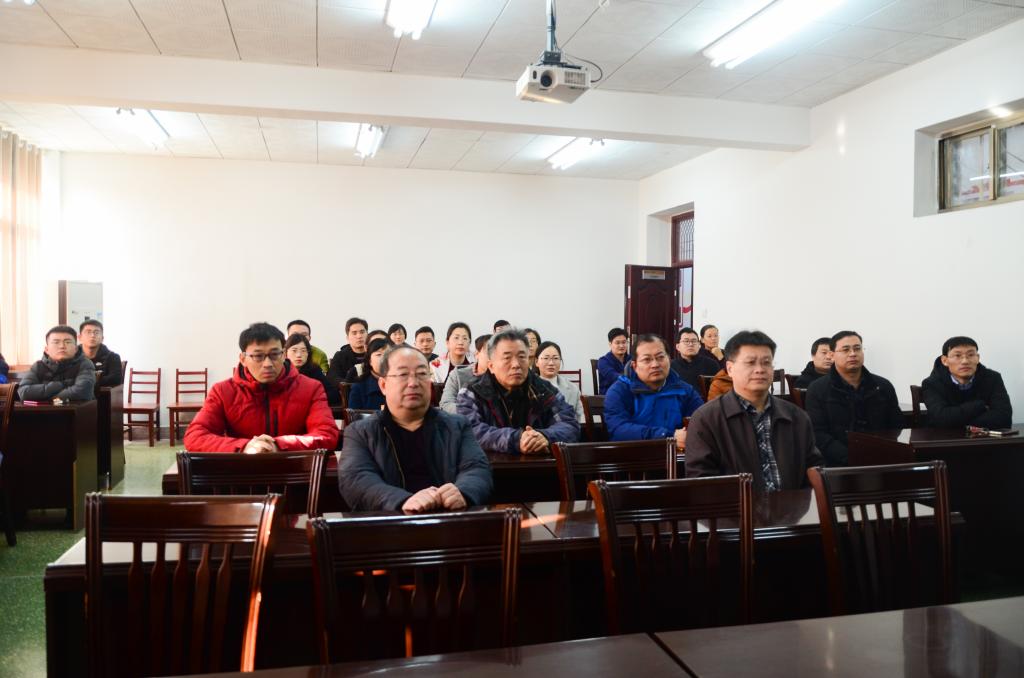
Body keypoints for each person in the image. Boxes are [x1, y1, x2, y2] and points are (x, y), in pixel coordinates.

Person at [338, 345, 493, 512]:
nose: (413, 383)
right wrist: (403, 500)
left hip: (448, 518)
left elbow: (477, 469)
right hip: (390, 523)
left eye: (421, 374)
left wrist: (463, 491)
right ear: (383, 385)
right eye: (403, 374)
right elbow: (356, 480)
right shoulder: (360, 432)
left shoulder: (457, 425)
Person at [685, 330, 823, 492]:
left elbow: (813, 472)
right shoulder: (706, 419)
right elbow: (702, 483)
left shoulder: (797, 416)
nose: (760, 369)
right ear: (730, 368)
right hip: (735, 507)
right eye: (750, 362)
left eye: (766, 362)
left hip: (793, 507)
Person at [184, 322, 339, 453]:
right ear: (243, 359)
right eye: (258, 356)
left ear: (283, 355)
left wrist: (279, 445)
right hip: (241, 473)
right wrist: (245, 446)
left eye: (274, 354)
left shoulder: (311, 388)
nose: (267, 364)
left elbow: (327, 435)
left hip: (296, 472)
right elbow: (195, 436)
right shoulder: (223, 391)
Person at [456, 329, 579, 454]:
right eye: (507, 358)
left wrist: (545, 436)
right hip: (489, 464)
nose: (516, 364)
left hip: (540, 464)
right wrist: (515, 439)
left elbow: (569, 424)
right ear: (491, 366)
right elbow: (470, 430)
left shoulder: (544, 389)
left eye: (521, 357)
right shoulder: (473, 392)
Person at [804, 330, 903, 466]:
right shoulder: (817, 389)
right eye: (845, 350)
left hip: (881, 459)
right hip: (837, 463)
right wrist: (850, 457)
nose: (852, 354)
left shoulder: (882, 386)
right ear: (832, 355)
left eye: (857, 349)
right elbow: (818, 434)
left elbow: (897, 426)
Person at [604, 334, 702, 446]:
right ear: (634, 366)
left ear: (669, 360)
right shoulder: (619, 391)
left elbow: (701, 421)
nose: (655, 364)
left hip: (677, 453)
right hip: (634, 453)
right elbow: (618, 430)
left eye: (660, 357)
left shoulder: (684, 390)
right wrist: (667, 436)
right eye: (647, 359)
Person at [921, 336, 1012, 429]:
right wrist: (980, 405)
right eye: (957, 356)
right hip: (944, 437)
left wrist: (957, 421)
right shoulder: (932, 384)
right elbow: (941, 419)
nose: (965, 361)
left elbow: (1004, 418)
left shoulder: (993, 378)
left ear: (978, 358)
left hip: (983, 437)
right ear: (945, 360)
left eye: (971, 355)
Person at [17, 325, 96, 402]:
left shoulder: (85, 364)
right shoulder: (38, 366)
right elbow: (24, 392)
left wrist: (47, 399)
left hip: (75, 410)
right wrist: (61, 385)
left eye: (67, 342)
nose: (62, 346)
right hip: (41, 410)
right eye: (56, 342)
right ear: (47, 349)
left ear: (76, 349)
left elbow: (81, 392)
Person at [284, 333, 341, 406]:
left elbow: (334, 395)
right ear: (286, 353)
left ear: (308, 353)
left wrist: (312, 399)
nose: (299, 355)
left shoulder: (314, 371)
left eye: (303, 351)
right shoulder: (280, 372)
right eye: (294, 351)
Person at [440, 334, 491, 414]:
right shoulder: (458, 374)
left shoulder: (503, 377)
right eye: (489, 352)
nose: (492, 357)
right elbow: (446, 403)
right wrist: (468, 412)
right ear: (477, 354)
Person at [534, 340, 583, 421]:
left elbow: (578, 418)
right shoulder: (529, 388)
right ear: (536, 362)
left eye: (555, 358)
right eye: (546, 358)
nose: (551, 363)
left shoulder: (573, 389)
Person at [670, 327, 721, 392]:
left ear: (699, 345)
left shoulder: (711, 364)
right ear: (678, 347)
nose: (690, 344)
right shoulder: (670, 366)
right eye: (686, 341)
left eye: (694, 341)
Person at [77, 319, 123, 387]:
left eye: (96, 332)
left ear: (102, 338)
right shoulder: (71, 357)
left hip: (100, 393)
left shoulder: (113, 357)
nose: (92, 335)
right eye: (88, 332)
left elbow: (115, 379)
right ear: (80, 337)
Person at [348, 338, 389, 410]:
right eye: (379, 354)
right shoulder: (359, 387)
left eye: (388, 354)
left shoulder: (402, 383)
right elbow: (354, 416)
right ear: (370, 361)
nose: (384, 358)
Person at [327, 317, 369, 383]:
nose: (359, 336)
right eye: (354, 333)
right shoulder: (340, 356)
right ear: (347, 338)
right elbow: (333, 378)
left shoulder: (375, 353)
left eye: (362, 332)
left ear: (368, 335)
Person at [597, 328, 630, 395]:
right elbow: (614, 377)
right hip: (608, 396)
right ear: (610, 344)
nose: (621, 346)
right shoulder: (603, 361)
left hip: (628, 395)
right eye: (617, 343)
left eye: (624, 342)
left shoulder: (631, 359)